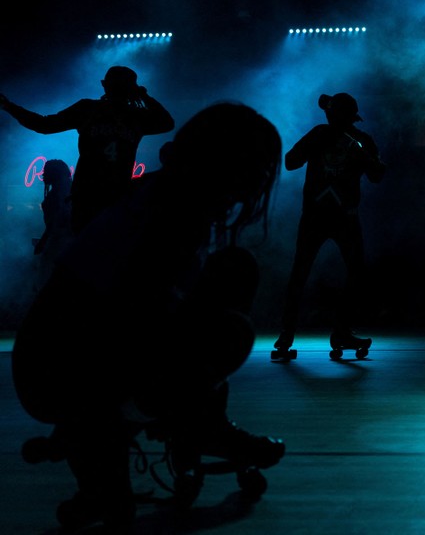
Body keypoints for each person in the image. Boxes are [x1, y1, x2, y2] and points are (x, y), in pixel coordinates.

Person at [12, 102, 286, 531]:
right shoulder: (176, 213)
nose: (257, 183)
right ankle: (171, 424)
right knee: (229, 319)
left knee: (225, 279)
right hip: (64, 369)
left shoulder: (161, 195)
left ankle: (168, 427)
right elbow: (129, 315)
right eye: (255, 169)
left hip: (51, 359)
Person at [274, 92, 387, 361]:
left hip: (346, 217)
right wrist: (316, 142)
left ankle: (342, 333)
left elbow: (377, 175)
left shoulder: (362, 141)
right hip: (315, 216)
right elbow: (290, 162)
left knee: (356, 273)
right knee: (299, 274)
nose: (330, 117)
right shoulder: (319, 134)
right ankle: (286, 336)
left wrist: (367, 159)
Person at [0, 66, 175, 233]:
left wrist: (9, 107)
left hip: (95, 194)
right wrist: (143, 95)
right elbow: (167, 122)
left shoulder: (92, 109)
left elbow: (44, 124)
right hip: (108, 194)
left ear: (104, 85)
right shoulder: (134, 115)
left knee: (88, 251)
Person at [31, 158, 74, 291]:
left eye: (45, 171)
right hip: (68, 242)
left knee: (46, 279)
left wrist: (42, 242)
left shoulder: (57, 194)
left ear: (54, 174)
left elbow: (55, 223)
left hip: (58, 243)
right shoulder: (68, 190)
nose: (42, 174)